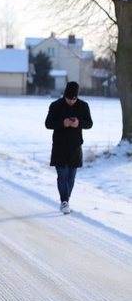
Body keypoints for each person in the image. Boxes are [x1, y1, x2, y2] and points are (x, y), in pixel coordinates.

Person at [44, 81, 93, 214]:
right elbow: (48, 124)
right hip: (59, 146)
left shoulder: (83, 106)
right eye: (69, 99)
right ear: (65, 95)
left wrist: (78, 123)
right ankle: (64, 201)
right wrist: (62, 123)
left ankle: (66, 200)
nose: (71, 101)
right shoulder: (55, 105)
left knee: (71, 177)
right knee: (63, 175)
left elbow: (89, 123)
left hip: (75, 146)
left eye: (74, 99)